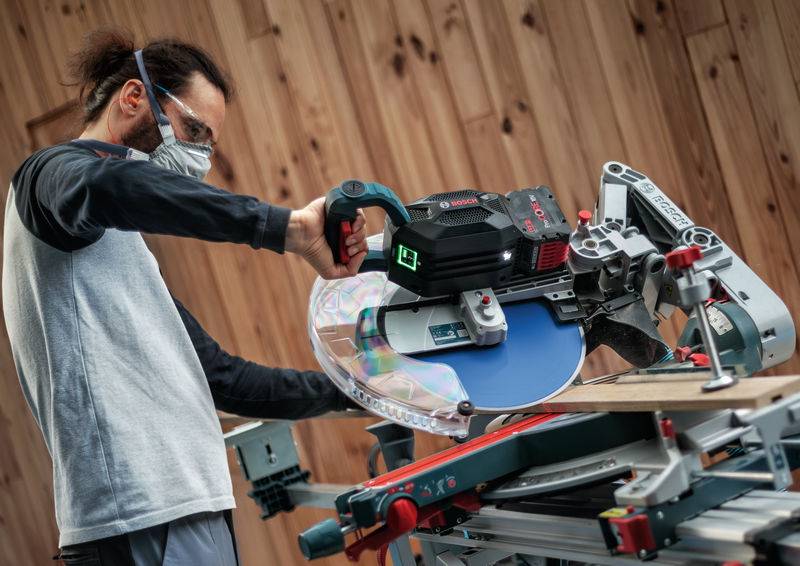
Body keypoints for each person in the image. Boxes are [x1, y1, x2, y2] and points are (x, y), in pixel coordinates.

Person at [2, 28, 367, 566]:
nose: (198, 157)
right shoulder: (48, 177)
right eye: (192, 130)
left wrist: (355, 388)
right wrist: (283, 227)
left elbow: (223, 377)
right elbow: (107, 188)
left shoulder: (118, 250)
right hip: (141, 518)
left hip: (182, 513)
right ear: (133, 98)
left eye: (208, 144)